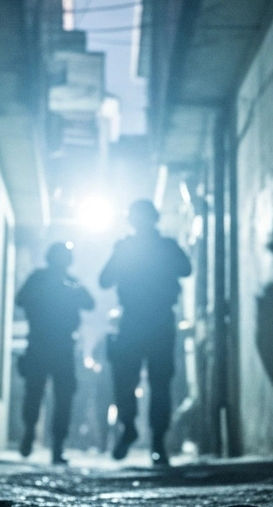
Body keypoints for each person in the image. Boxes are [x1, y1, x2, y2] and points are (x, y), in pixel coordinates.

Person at [99, 200, 192, 466]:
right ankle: (147, 437)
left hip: (144, 320)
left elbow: (105, 280)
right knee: (144, 382)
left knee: (142, 381)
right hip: (152, 321)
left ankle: (152, 439)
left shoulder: (141, 247)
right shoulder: (160, 246)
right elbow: (105, 280)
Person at [16, 242, 95, 464]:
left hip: (61, 346)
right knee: (35, 393)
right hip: (41, 343)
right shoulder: (39, 278)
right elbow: (20, 300)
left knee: (63, 398)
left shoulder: (72, 282)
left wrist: (72, 292)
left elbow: (90, 303)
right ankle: (30, 431)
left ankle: (57, 445)